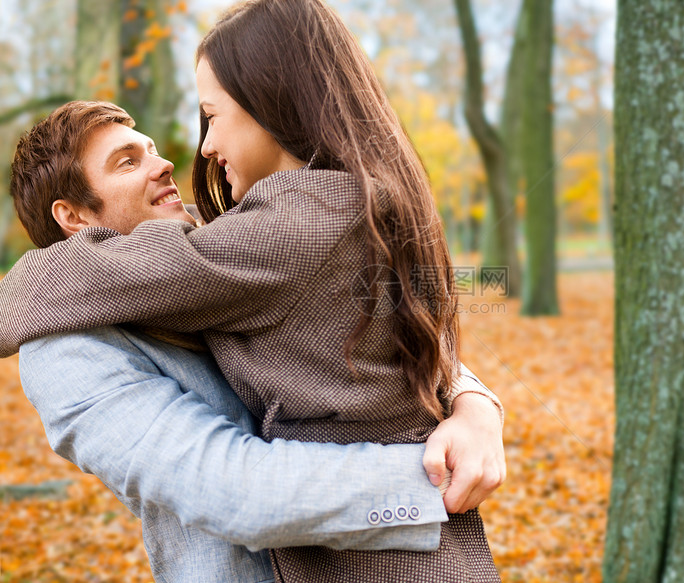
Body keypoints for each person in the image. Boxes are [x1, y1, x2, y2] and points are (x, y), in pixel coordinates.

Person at [0, 0, 503, 580]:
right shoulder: (66, 348)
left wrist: (473, 408)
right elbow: (234, 490)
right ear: (74, 219)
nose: (173, 161)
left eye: (208, 119)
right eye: (126, 161)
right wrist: (432, 477)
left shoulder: (256, 234)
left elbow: (391, 323)